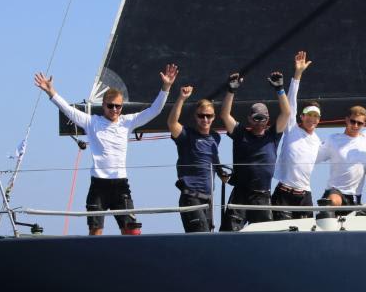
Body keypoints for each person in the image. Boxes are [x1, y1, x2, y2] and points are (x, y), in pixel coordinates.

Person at [33, 64, 178, 235]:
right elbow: (68, 110)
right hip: (98, 185)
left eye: (118, 106)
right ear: (104, 105)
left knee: (131, 231)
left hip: (121, 184)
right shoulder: (91, 122)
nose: (114, 109)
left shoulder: (127, 122)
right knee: (95, 231)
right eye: (111, 106)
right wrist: (51, 91)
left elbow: (155, 110)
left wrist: (166, 87)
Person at [219, 70, 291, 231]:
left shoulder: (273, 135)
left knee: (265, 236)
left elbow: (286, 113)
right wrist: (231, 91)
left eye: (262, 118)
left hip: (262, 195)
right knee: (228, 234)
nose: (259, 122)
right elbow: (224, 114)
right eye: (256, 118)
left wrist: (280, 89)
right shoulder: (240, 133)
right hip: (240, 194)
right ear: (249, 119)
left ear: (268, 120)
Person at [316, 74, 366, 206]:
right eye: (352, 121)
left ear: (364, 124)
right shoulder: (333, 139)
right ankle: (327, 206)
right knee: (333, 201)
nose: (355, 126)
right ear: (346, 120)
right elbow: (313, 158)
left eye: (359, 123)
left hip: (355, 196)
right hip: (335, 192)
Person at [271, 51, 322, 221]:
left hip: (305, 196)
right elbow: (291, 102)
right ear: (302, 116)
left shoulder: (318, 141)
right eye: (309, 115)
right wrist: (297, 74)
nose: (312, 119)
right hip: (284, 194)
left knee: (307, 238)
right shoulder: (292, 128)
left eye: (316, 116)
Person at [167, 85, 223, 232]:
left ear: (213, 117)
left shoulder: (216, 137)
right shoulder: (186, 135)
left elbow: (213, 159)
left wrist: (221, 171)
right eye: (201, 115)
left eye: (209, 116)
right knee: (201, 235)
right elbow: (172, 123)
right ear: (195, 117)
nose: (205, 119)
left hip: (209, 199)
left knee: (208, 239)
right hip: (191, 197)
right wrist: (182, 98)